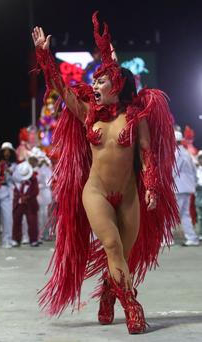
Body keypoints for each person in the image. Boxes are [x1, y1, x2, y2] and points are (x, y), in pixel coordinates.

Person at [32, 12, 179, 334]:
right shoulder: (87, 113)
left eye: (101, 80)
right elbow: (58, 85)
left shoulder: (136, 117)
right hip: (96, 192)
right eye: (95, 80)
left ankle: (109, 292)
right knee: (112, 246)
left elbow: (147, 154)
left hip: (128, 195)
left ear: (118, 85)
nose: (94, 84)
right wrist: (44, 55)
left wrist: (152, 187)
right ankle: (133, 307)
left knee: (124, 256)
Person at [174, 131, 199, 246]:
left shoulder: (176, 152)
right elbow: (194, 170)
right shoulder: (186, 153)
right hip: (187, 187)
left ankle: (167, 239)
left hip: (179, 188)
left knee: (174, 214)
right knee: (185, 214)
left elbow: (173, 171)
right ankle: (192, 238)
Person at [12, 161, 40, 247]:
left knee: (32, 222)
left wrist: (27, 197)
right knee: (16, 221)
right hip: (19, 203)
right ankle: (16, 240)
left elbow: (36, 191)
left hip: (30, 204)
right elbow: (14, 189)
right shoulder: (15, 178)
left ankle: (33, 240)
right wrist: (19, 197)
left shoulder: (34, 179)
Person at [195, 150, 202, 241]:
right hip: (198, 193)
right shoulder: (196, 169)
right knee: (199, 216)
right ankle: (200, 233)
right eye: (200, 158)